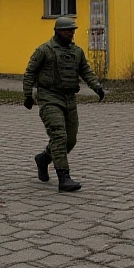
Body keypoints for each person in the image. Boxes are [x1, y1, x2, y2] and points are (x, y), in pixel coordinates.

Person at [23, 15, 105, 192]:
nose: (70, 34)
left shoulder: (77, 52)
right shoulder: (44, 50)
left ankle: (44, 158)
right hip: (49, 97)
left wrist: (96, 86)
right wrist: (27, 95)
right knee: (59, 136)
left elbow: (85, 70)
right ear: (57, 31)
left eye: (72, 31)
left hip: (69, 99)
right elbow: (30, 72)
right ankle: (64, 177)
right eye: (67, 30)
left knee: (70, 140)